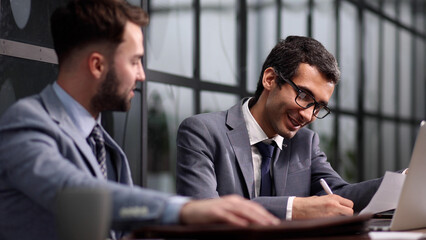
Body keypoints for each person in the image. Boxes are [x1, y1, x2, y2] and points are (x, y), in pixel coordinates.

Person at [0, 0, 280, 239]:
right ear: (97, 65)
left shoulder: (105, 146)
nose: (142, 75)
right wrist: (184, 209)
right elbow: (73, 194)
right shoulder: (25, 124)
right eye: (135, 61)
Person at [176, 36, 383, 220]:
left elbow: (338, 197)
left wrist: (402, 181)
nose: (309, 115)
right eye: (303, 96)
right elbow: (204, 211)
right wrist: (293, 208)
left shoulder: (305, 143)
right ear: (270, 79)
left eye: (318, 106)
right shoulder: (202, 132)